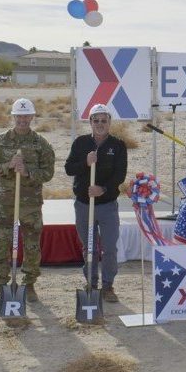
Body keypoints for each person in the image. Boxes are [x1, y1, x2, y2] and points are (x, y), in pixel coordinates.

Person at [0, 98, 55, 301]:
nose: (23, 119)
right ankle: (1, 283)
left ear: (32, 117)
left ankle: (29, 283)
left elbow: (48, 173)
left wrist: (28, 172)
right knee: (1, 241)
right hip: (6, 202)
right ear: (13, 117)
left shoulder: (41, 143)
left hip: (30, 203)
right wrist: (7, 165)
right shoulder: (0, 141)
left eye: (26, 116)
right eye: (19, 116)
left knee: (32, 244)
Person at [64, 103, 128, 303]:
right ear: (90, 122)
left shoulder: (118, 145)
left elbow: (120, 174)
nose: (100, 124)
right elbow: (69, 169)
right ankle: (91, 283)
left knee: (109, 247)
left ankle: (108, 285)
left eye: (104, 120)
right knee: (88, 247)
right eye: (96, 120)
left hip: (107, 206)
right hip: (84, 205)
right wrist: (85, 162)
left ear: (109, 122)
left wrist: (103, 189)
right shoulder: (81, 143)